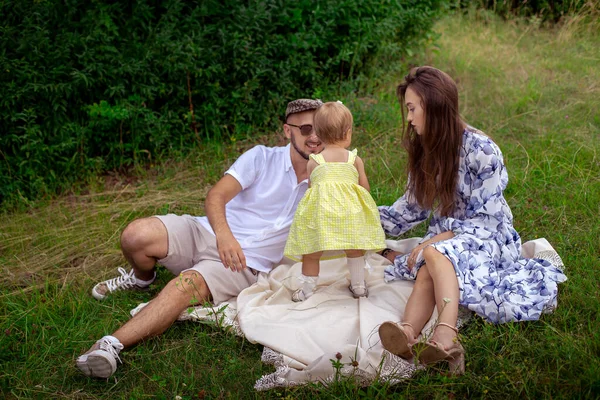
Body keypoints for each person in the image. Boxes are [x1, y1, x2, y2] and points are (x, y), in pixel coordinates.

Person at [76, 98, 325, 378]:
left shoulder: (329, 176)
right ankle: (141, 279)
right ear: (287, 130)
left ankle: (109, 346)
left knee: (184, 287)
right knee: (136, 235)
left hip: (245, 262)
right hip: (208, 231)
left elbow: (356, 212)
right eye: (305, 129)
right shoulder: (261, 157)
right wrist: (224, 235)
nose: (314, 136)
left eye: (321, 128)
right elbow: (216, 196)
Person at [377, 66, 567, 375]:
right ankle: (408, 333)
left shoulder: (484, 151)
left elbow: (487, 219)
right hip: (449, 240)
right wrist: (361, 222)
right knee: (429, 266)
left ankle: (446, 337)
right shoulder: (427, 149)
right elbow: (411, 208)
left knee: (434, 254)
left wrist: (434, 240)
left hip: (490, 236)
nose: (409, 118)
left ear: (433, 104)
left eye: (412, 109)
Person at [284, 101, 386, 301]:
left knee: (311, 253)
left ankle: (307, 289)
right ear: (347, 133)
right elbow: (364, 188)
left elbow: (313, 191)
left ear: (319, 135)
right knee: (354, 249)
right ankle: (358, 286)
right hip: (350, 215)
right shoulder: (354, 160)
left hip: (323, 216)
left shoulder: (314, 162)